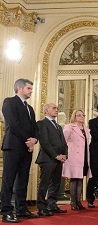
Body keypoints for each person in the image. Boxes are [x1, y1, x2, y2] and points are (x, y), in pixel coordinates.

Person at [1, 79, 39, 222]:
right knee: (8, 180)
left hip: (27, 148)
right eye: (29, 88)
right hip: (13, 147)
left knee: (23, 180)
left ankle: (22, 209)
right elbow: (13, 124)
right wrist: (28, 140)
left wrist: (34, 139)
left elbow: (35, 127)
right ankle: (6, 212)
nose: (31, 91)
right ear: (19, 88)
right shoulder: (9, 102)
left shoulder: (30, 108)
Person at [35, 103, 68, 216]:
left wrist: (64, 155)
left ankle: (52, 205)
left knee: (56, 183)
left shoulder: (58, 126)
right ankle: (41, 207)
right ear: (46, 111)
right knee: (44, 184)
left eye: (57, 108)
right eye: (54, 108)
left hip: (59, 159)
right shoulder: (41, 123)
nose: (57, 110)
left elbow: (64, 143)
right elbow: (45, 143)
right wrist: (56, 156)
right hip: (47, 159)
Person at [62, 109, 92, 210]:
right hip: (73, 157)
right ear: (74, 117)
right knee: (74, 179)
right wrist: (64, 154)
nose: (82, 117)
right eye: (79, 115)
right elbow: (63, 141)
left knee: (80, 179)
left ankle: (78, 201)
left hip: (84, 157)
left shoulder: (86, 129)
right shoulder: (69, 127)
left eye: (83, 115)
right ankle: (73, 202)